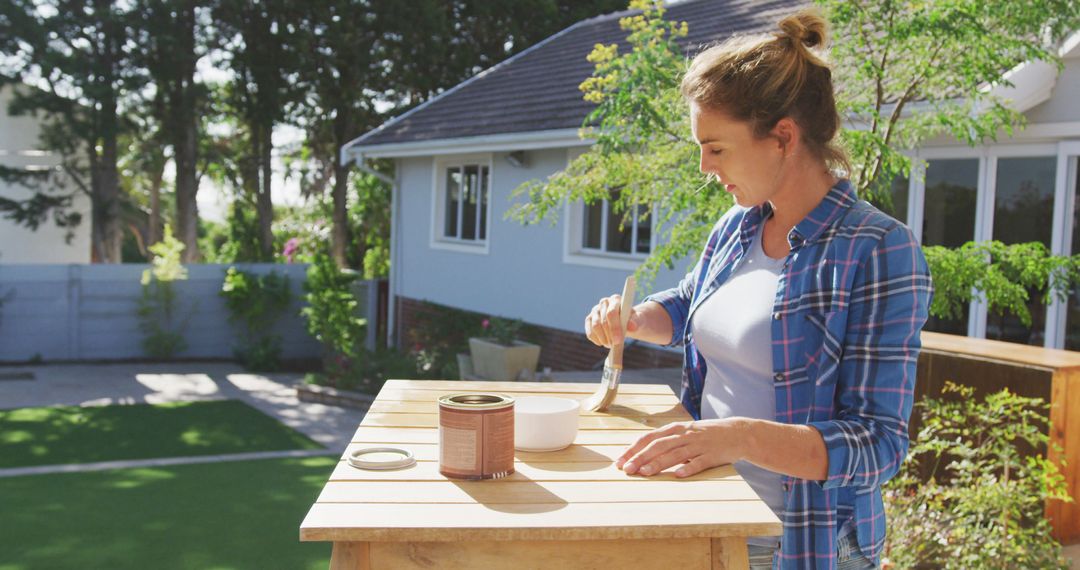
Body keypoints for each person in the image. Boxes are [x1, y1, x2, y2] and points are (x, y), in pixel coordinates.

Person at [583, 8, 932, 570]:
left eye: (716, 148)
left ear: (783, 138)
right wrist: (639, 318)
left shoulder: (877, 250)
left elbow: (879, 445)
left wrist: (738, 437)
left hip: (798, 544)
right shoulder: (738, 225)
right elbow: (696, 303)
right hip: (709, 513)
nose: (703, 165)